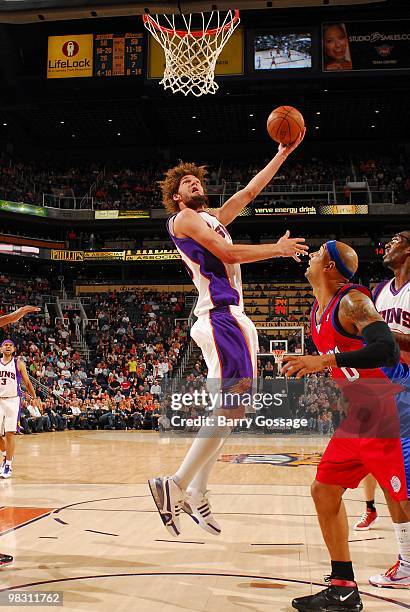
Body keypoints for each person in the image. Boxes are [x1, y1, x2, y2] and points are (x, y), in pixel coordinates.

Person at [149, 130, 308, 537]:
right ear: (178, 197)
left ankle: (198, 490)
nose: (194, 183)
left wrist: (282, 153)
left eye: (197, 180)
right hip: (221, 317)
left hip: (231, 318)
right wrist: (276, 249)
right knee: (231, 407)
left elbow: (250, 192)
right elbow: (229, 255)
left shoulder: (212, 218)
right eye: (186, 183)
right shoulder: (183, 218)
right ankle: (177, 483)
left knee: (233, 411)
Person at [282, 240, 409, 611]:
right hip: (360, 415)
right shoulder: (316, 311)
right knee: (323, 491)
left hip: (390, 410)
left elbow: (386, 349)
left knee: (402, 498)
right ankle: (342, 587)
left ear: (332, 267)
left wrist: (323, 362)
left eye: (319, 251)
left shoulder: (353, 301)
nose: (312, 254)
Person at [355, 231, 410, 588]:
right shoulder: (379, 290)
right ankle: (406, 561)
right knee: (395, 480)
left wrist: (385, 337)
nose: (388, 244)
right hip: (386, 387)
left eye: (397, 239)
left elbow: (384, 339)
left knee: (402, 479)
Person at [0, 339, 42, 480]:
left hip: (12, 400)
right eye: (5, 345)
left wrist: (34, 397)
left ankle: (8, 465)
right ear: (1, 349)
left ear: (14, 349)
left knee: (10, 433)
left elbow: (27, 382)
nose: (7, 347)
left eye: (10, 345)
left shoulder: (18, 363)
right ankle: (6, 455)